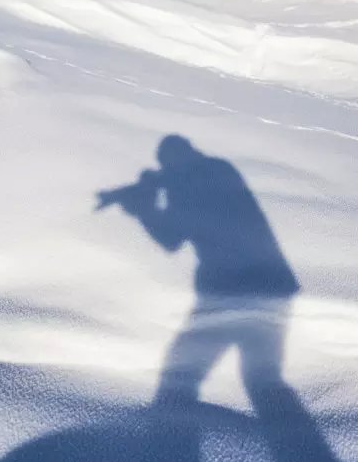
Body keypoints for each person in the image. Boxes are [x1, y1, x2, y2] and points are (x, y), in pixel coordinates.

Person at [97, 135, 300, 411]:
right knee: (262, 379)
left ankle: (167, 437)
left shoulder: (193, 180)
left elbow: (171, 238)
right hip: (269, 285)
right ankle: (294, 445)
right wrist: (149, 190)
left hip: (231, 288)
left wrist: (143, 207)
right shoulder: (214, 170)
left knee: (183, 371)